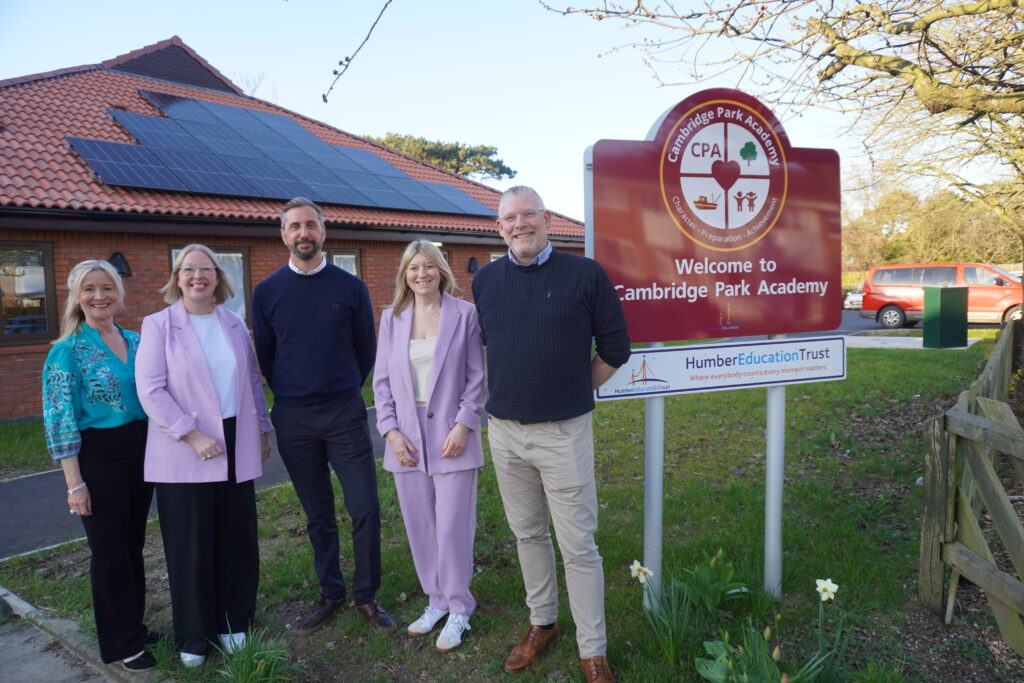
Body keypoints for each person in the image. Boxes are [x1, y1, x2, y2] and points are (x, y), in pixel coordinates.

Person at [471, 186, 630, 683]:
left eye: (529, 214)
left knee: (578, 544)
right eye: (509, 218)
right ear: (499, 228)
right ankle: (543, 622)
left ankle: (593, 649)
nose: (520, 224)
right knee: (527, 535)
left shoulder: (585, 274)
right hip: (504, 433)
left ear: (546, 219)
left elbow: (616, 347)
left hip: (563, 433)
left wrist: (574, 389)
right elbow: (488, 345)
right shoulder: (486, 282)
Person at [253, 196, 395, 635]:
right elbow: (267, 355)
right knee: (318, 513)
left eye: (310, 225)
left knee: (365, 506)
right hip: (294, 418)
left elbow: (365, 351)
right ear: (283, 235)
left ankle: (367, 595)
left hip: (344, 412)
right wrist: (295, 392)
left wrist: (339, 388)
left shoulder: (350, 287)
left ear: (323, 231)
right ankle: (331, 592)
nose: (303, 234)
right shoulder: (267, 292)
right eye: (294, 226)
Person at [135, 244, 272, 668]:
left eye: (205, 269)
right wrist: (191, 435)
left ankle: (235, 624)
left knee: (237, 538)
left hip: (235, 438)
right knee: (190, 545)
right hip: (183, 445)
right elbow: (151, 390)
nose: (197, 276)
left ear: (217, 276)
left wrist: (263, 430)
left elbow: (251, 379)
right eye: (188, 269)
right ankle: (195, 636)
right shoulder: (159, 325)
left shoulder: (233, 323)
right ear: (177, 278)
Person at [42, 260, 156, 671]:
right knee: (108, 551)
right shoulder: (67, 351)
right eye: (89, 289)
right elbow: (60, 419)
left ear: (118, 293)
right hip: (99, 454)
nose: (99, 296)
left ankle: (135, 627)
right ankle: (121, 643)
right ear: (76, 296)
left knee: (132, 545)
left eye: (106, 288)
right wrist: (75, 484)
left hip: (142, 448)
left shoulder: (137, 340)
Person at [372, 240, 485, 653]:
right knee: (420, 524)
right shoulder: (392, 317)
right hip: (406, 437)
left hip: (452, 433)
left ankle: (459, 606)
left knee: (453, 524)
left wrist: (464, 425)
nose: (421, 274)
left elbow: (476, 375)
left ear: (441, 270)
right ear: (405, 273)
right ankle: (436, 600)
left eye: (429, 266)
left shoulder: (464, 314)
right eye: (413, 267)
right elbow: (381, 382)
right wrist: (390, 431)